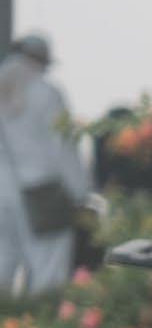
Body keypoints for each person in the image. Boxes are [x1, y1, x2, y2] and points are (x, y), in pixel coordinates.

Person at [0, 36, 94, 300]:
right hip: (42, 190)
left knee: (2, 266)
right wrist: (81, 193)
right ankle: (40, 322)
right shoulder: (46, 92)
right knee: (49, 269)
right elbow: (63, 148)